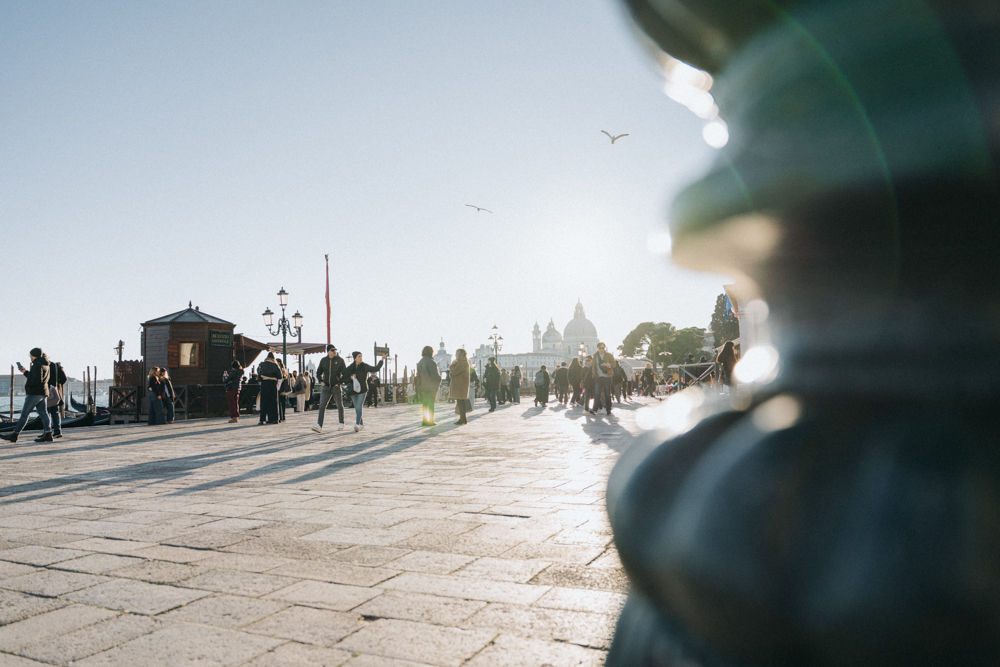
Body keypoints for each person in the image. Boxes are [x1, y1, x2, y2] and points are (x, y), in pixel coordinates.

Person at [1, 349, 53, 443]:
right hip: (43, 392)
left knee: (24, 414)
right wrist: (25, 372)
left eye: (30, 355)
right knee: (43, 413)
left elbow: (37, 380)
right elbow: (37, 378)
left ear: (34, 355)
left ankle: (15, 434)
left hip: (34, 393)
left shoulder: (37, 364)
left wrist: (29, 386)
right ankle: (48, 433)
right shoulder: (46, 364)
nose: (30, 357)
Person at [344, 350, 387, 431]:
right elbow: (344, 380)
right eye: (359, 356)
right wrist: (350, 377)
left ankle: (357, 424)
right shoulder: (350, 368)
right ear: (355, 358)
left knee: (359, 406)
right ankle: (361, 424)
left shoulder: (364, 366)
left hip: (363, 389)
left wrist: (382, 360)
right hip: (353, 390)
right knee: (357, 408)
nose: (361, 358)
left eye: (361, 356)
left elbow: (376, 368)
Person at [313, 345, 347, 433]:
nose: (334, 351)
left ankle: (341, 423)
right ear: (328, 351)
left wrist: (339, 383)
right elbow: (318, 372)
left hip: (336, 386)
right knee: (322, 406)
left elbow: (345, 374)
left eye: (335, 350)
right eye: (332, 350)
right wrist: (321, 381)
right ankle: (319, 425)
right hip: (326, 387)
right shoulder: (323, 360)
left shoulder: (340, 360)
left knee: (339, 405)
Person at [416, 345, 441, 426]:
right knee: (431, 403)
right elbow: (435, 375)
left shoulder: (420, 362)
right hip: (431, 386)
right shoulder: (431, 362)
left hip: (423, 386)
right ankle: (430, 420)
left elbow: (418, 375)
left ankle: (424, 420)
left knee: (425, 403)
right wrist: (439, 379)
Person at [257, 353, 282, 425]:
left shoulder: (262, 364)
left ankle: (262, 419)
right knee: (273, 402)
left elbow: (259, 373)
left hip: (264, 383)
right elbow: (280, 376)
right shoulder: (275, 365)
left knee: (264, 401)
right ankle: (274, 419)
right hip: (272, 384)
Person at [449, 349, 471, 425]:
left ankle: (463, 419)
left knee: (460, 402)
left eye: (456, 353)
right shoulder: (462, 362)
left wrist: (451, 365)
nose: (455, 355)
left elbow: (454, 371)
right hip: (460, 384)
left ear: (460, 354)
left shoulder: (462, 362)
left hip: (460, 385)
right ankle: (463, 418)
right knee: (460, 402)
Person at [46, 359, 67, 439]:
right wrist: (58, 384)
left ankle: (47, 431)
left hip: (46, 393)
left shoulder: (42, 366)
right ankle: (57, 431)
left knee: (46, 412)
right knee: (55, 412)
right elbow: (64, 379)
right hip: (56, 392)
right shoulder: (56, 366)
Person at [593, 342, 615, 416]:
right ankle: (594, 409)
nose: (602, 349)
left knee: (607, 394)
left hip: (607, 377)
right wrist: (594, 375)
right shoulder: (595, 356)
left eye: (603, 348)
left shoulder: (609, 355)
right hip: (598, 377)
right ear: (597, 348)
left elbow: (614, 364)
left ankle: (608, 409)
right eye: (600, 348)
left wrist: (608, 365)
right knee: (596, 394)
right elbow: (593, 367)